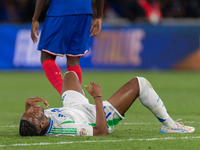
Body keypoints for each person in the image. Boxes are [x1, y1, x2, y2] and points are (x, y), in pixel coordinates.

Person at [19, 71, 195, 136]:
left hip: (73, 108)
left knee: (70, 75)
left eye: (27, 112)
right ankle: (169, 125)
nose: (33, 109)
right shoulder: (66, 129)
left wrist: (28, 107)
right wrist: (97, 98)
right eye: (33, 113)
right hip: (96, 116)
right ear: (42, 123)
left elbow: (31, 125)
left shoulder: (39, 122)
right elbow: (101, 132)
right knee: (140, 83)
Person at [31, 0, 104, 95]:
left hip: (61, 9)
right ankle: (77, 99)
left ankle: (68, 96)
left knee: (46, 56)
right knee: (73, 59)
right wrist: (99, 15)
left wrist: (35, 18)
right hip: (84, 11)